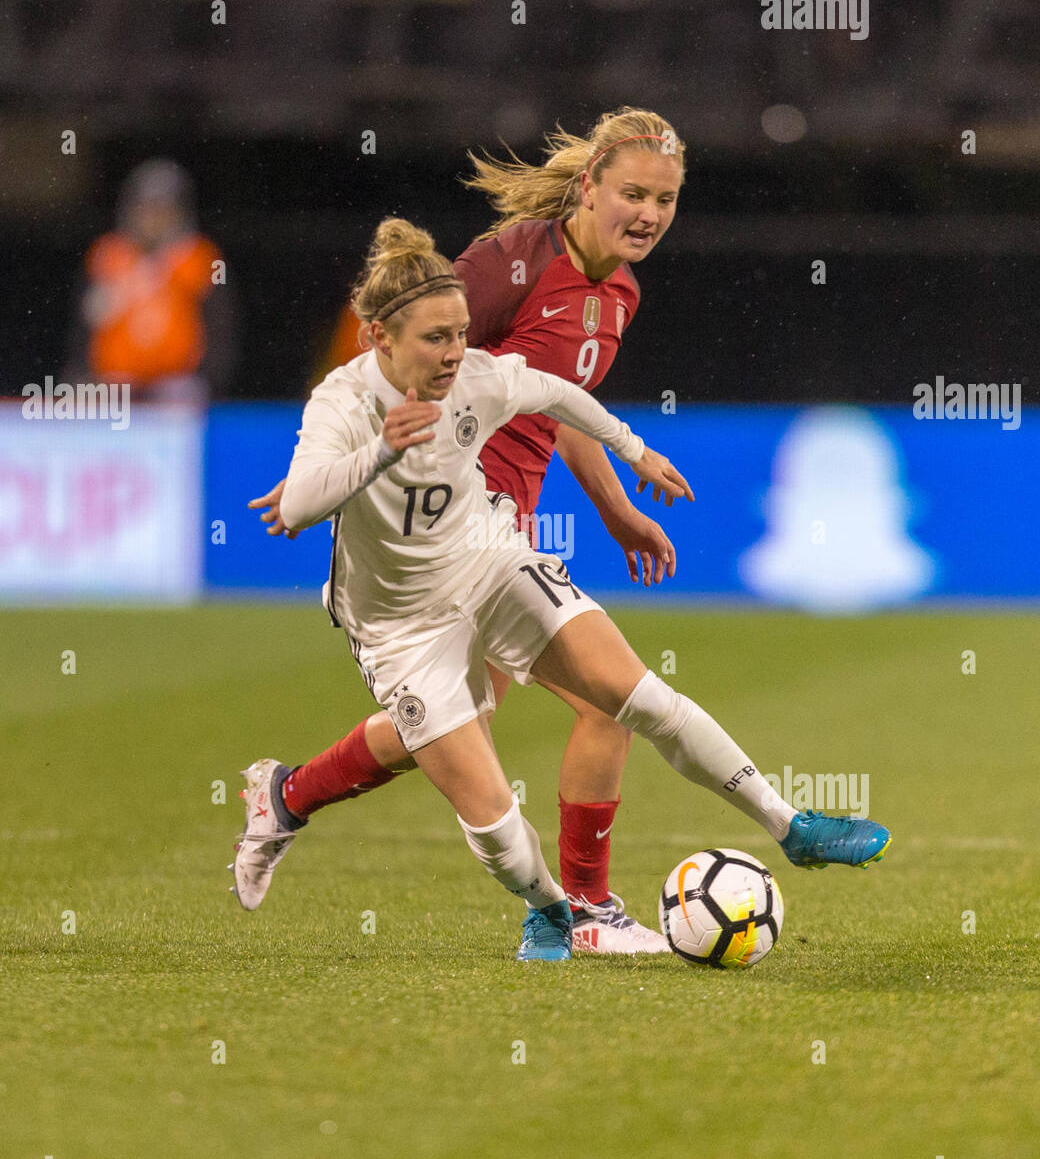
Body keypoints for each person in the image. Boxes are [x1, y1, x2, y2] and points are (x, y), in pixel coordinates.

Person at [231, 217, 892, 962]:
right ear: (379, 337)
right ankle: (550, 910)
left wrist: (634, 451)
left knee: (635, 695)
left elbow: (558, 393)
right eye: (434, 339)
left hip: (488, 560)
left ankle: (789, 826)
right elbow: (295, 506)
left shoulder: (478, 375)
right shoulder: (343, 403)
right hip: (401, 625)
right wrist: (383, 449)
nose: (454, 353)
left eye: (459, 334)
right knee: (494, 823)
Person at [247, 108, 696, 953]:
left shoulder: (620, 294)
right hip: (450, 530)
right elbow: (410, 345)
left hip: (506, 521)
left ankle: (289, 796)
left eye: (665, 199)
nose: (648, 214)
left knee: (459, 721)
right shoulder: (510, 263)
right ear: (589, 185)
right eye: (633, 193)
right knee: (590, 706)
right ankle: (583, 913)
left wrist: (614, 506)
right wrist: (331, 458)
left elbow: (539, 399)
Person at [66, 159, 237, 405]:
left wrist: (210, 382)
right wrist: (81, 372)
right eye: (146, 209)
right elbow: (84, 325)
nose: (154, 219)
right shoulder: (109, 255)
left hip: (177, 387)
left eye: (164, 209)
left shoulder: (200, 258)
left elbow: (220, 327)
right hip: (113, 385)